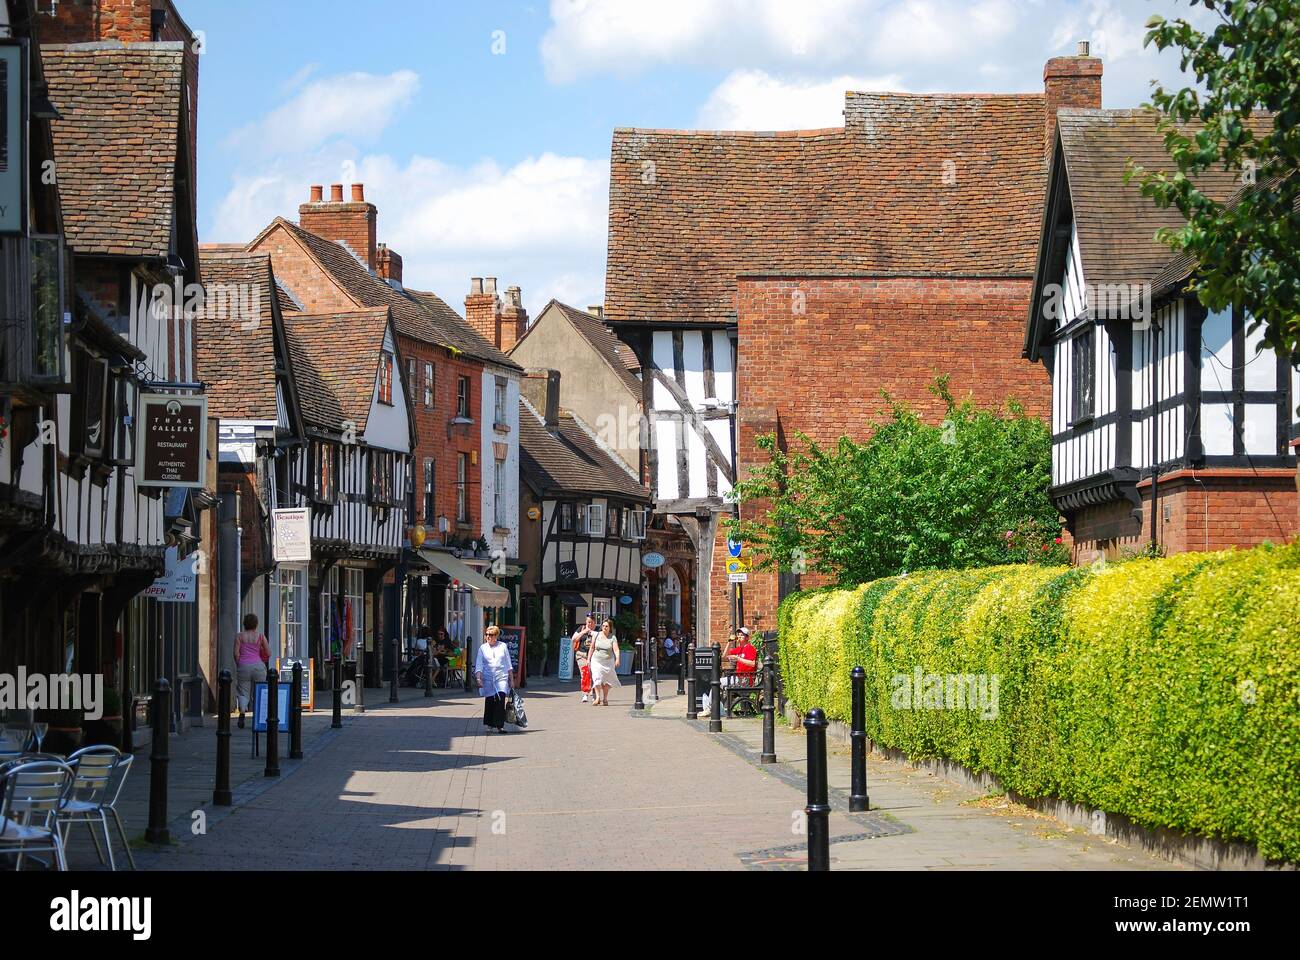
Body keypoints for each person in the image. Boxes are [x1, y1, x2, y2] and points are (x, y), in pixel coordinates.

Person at [233, 614, 270, 729]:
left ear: (244, 623)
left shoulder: (239, 636)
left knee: (243, 692)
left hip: (244, 666)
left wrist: (239, 663)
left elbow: (236, 653)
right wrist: (261, 657)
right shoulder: (260, 637)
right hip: (258, 666)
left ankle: (243, 712)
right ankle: (260, 717)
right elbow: (268, 653)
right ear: (256, 624)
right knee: (261, 690)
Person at [475, 625, 514, 733]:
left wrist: (511, 679)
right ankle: (489, 724)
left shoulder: (503, 646)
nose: (488, 636)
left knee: (501, 698)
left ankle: (499, 726)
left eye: (490, 635)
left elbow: (508, 663)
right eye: (486, 634)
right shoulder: (483, 648)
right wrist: (478, 678)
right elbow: (479, 664)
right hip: (488, 678)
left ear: (496, 635)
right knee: (490, 700)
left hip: (501, 676)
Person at [588, 619, 621, 707]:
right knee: (597, 678)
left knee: (607, 681)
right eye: (603, 626)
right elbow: (591, 648)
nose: (604, 628)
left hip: (608, 662)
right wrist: (588, 659)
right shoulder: (597, 635)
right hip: (596, 660)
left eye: (606, 626)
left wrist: (617, 659)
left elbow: (616, 649)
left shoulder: (612, 638)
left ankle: (605, 698)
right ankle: (598, 697)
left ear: (610, 628)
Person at [571, 615, 598, 703]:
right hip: (581, 655)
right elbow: (573, 639)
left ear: (594, 623)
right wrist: (583, 632)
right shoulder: (581, 628)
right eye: (588, 622)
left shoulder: (597, 631)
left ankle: (594, 695)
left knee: (594, 675)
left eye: (591, 622)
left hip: (594, 656)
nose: (589, 624)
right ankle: (585, 694)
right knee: (585, 673)